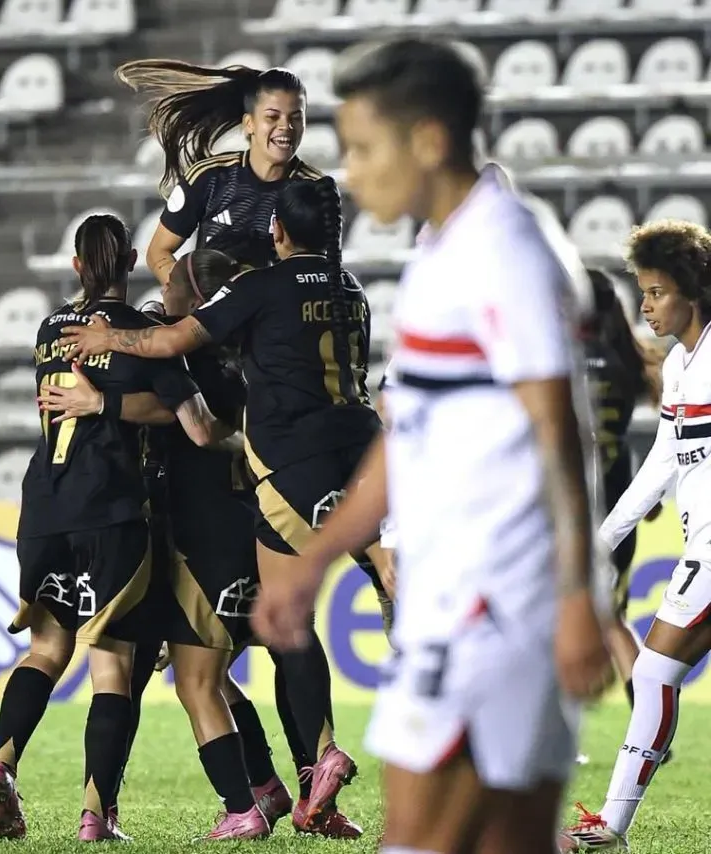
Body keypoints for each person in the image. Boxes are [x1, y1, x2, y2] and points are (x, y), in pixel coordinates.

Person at [248, 38, 613, 854]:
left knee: (428, 838)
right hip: (449, 601)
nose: (351, 171)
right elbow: (403, 441)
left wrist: (575, 599)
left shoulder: (504, 250)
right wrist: (312, 562)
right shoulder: (437, 250)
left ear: (429, 141)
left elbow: (561, 435)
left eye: (365, 147)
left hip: (500, 607)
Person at [58, 175, 379, 830]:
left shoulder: (217, 328)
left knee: (198, 675)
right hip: (333, 478)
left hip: (220, 529)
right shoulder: (342, 299)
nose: (162, 289)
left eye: (174, 285)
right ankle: (294, 782)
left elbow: (178, 379)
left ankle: (246, 802)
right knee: (280, 648)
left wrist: (109, 359)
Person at [0, 213, 233, 843]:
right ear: (127, 264)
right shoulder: (139, 331)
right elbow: (191, 421)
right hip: (110, 512)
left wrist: (98, 400)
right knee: (112, 667)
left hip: (43, 506)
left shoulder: (48, 328)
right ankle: (97, 813)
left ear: (75, 267)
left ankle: (3, 763)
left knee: (45, 650)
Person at [559, 220, 711, 852]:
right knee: (651, 675)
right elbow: (664, 463)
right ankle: (609, 829)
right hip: (698, 546)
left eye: (656, 292)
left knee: (651, 674)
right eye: (642, 293)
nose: (645, 306)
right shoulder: (680, 363)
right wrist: (605, 536)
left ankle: (610, 829)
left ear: (693, 291)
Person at [115, 59, 322, 281]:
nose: (286, 127)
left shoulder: (316, 190)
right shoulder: (209, 177)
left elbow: (321, 271)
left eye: (296, 117)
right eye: (272, 117)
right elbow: (158, 253)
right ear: (249, 123)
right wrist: (192, 294)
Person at [583, 269, 667, 719]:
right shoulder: (625, 363)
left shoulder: (562, 360)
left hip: (572, 509)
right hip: (619, 503)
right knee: (614, 620)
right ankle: (648, 715)